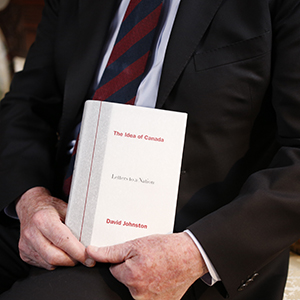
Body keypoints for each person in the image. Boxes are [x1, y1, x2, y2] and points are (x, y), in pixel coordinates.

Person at [0, 0, 300, 299]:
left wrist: (195, 252)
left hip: (184, 248)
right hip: (51, 214)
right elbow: (27, 105)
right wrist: (30, 201)